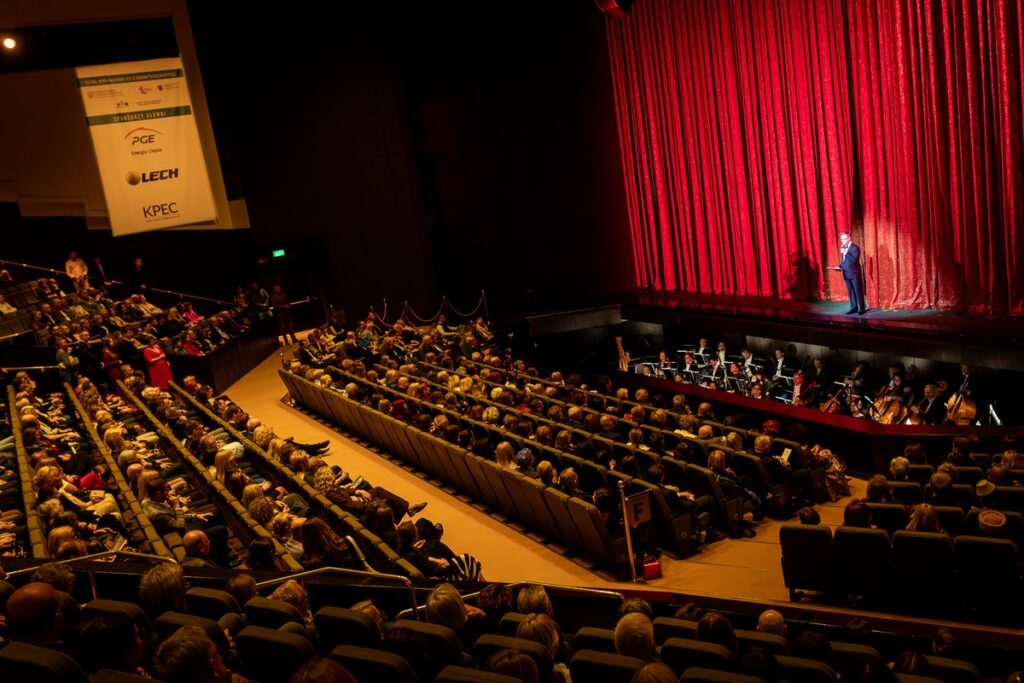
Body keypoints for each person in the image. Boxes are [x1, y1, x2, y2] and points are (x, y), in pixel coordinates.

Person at [833, 231, 866, 314]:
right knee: (851, 291)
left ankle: (862, 309)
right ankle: (853, 307)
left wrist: (845, 253)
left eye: (844, 239)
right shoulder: (843, 247)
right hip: (846, 273)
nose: (842, 241)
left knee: (858, 291)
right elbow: (844, 261)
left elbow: (854, 260)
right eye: (841, 239)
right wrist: (839, 266)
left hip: (854, 273)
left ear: (849, 238)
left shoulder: (855, 247)